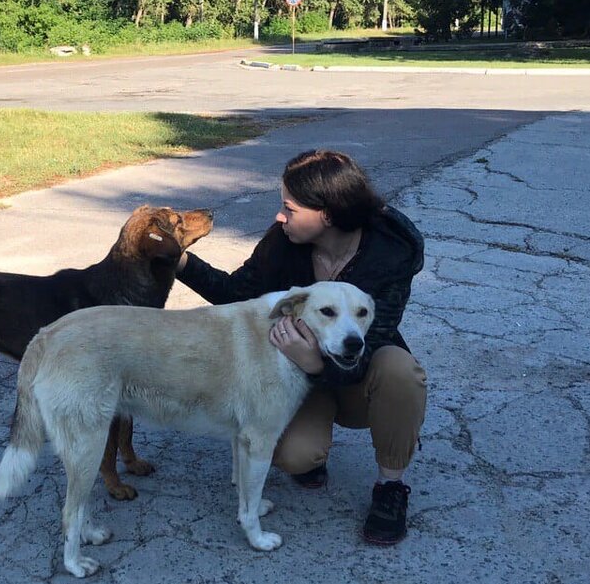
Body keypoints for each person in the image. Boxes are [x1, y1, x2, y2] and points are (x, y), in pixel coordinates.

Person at [176, 149, 427, 545]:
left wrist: (315, 362)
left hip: (362, 377)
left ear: (326, 213)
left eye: (289, 208)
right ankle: (316, 451)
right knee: (295, 456)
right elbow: (238, 292)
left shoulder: (390, 254)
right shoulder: (285, 242)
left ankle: (390, 486)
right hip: (301, 378)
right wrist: (179, 261)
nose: (280, 216)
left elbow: (373, 340)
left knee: (400, 369)